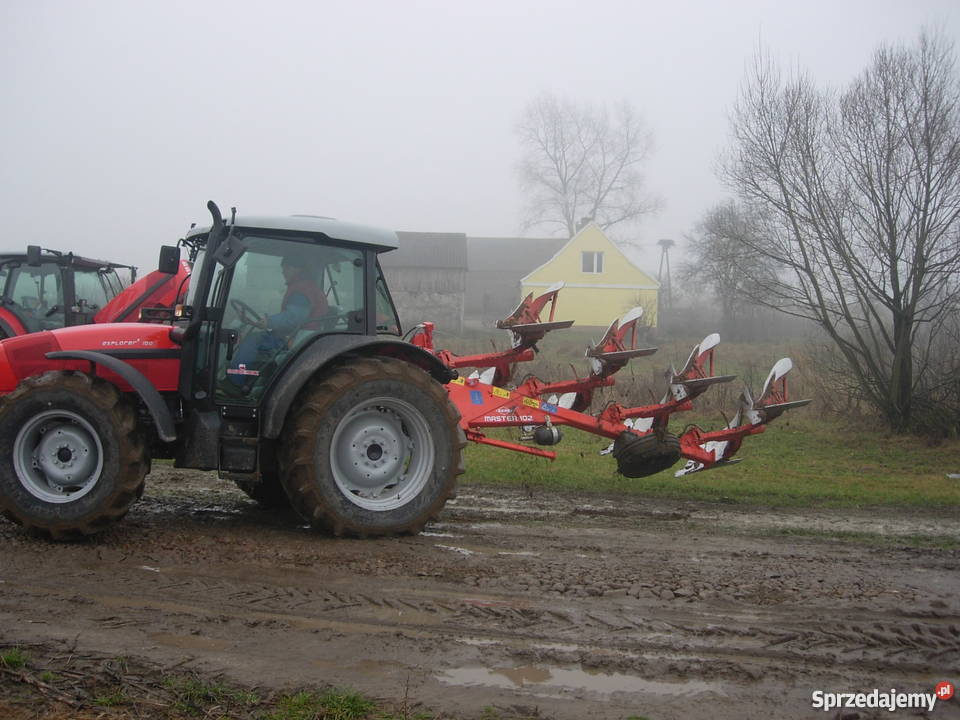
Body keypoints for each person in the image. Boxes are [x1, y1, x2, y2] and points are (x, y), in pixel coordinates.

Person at [227, 253, 328, 389]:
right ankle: (249, 381)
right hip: (296, 336)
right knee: (257, 337)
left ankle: (235, 383)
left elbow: (293, 318)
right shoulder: (307, 287)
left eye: (286, 268)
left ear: (297, 268)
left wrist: (268, 322)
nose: (283, 272)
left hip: (296, 340)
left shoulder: (302, 291)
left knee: (253, 340)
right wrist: (258, 320)